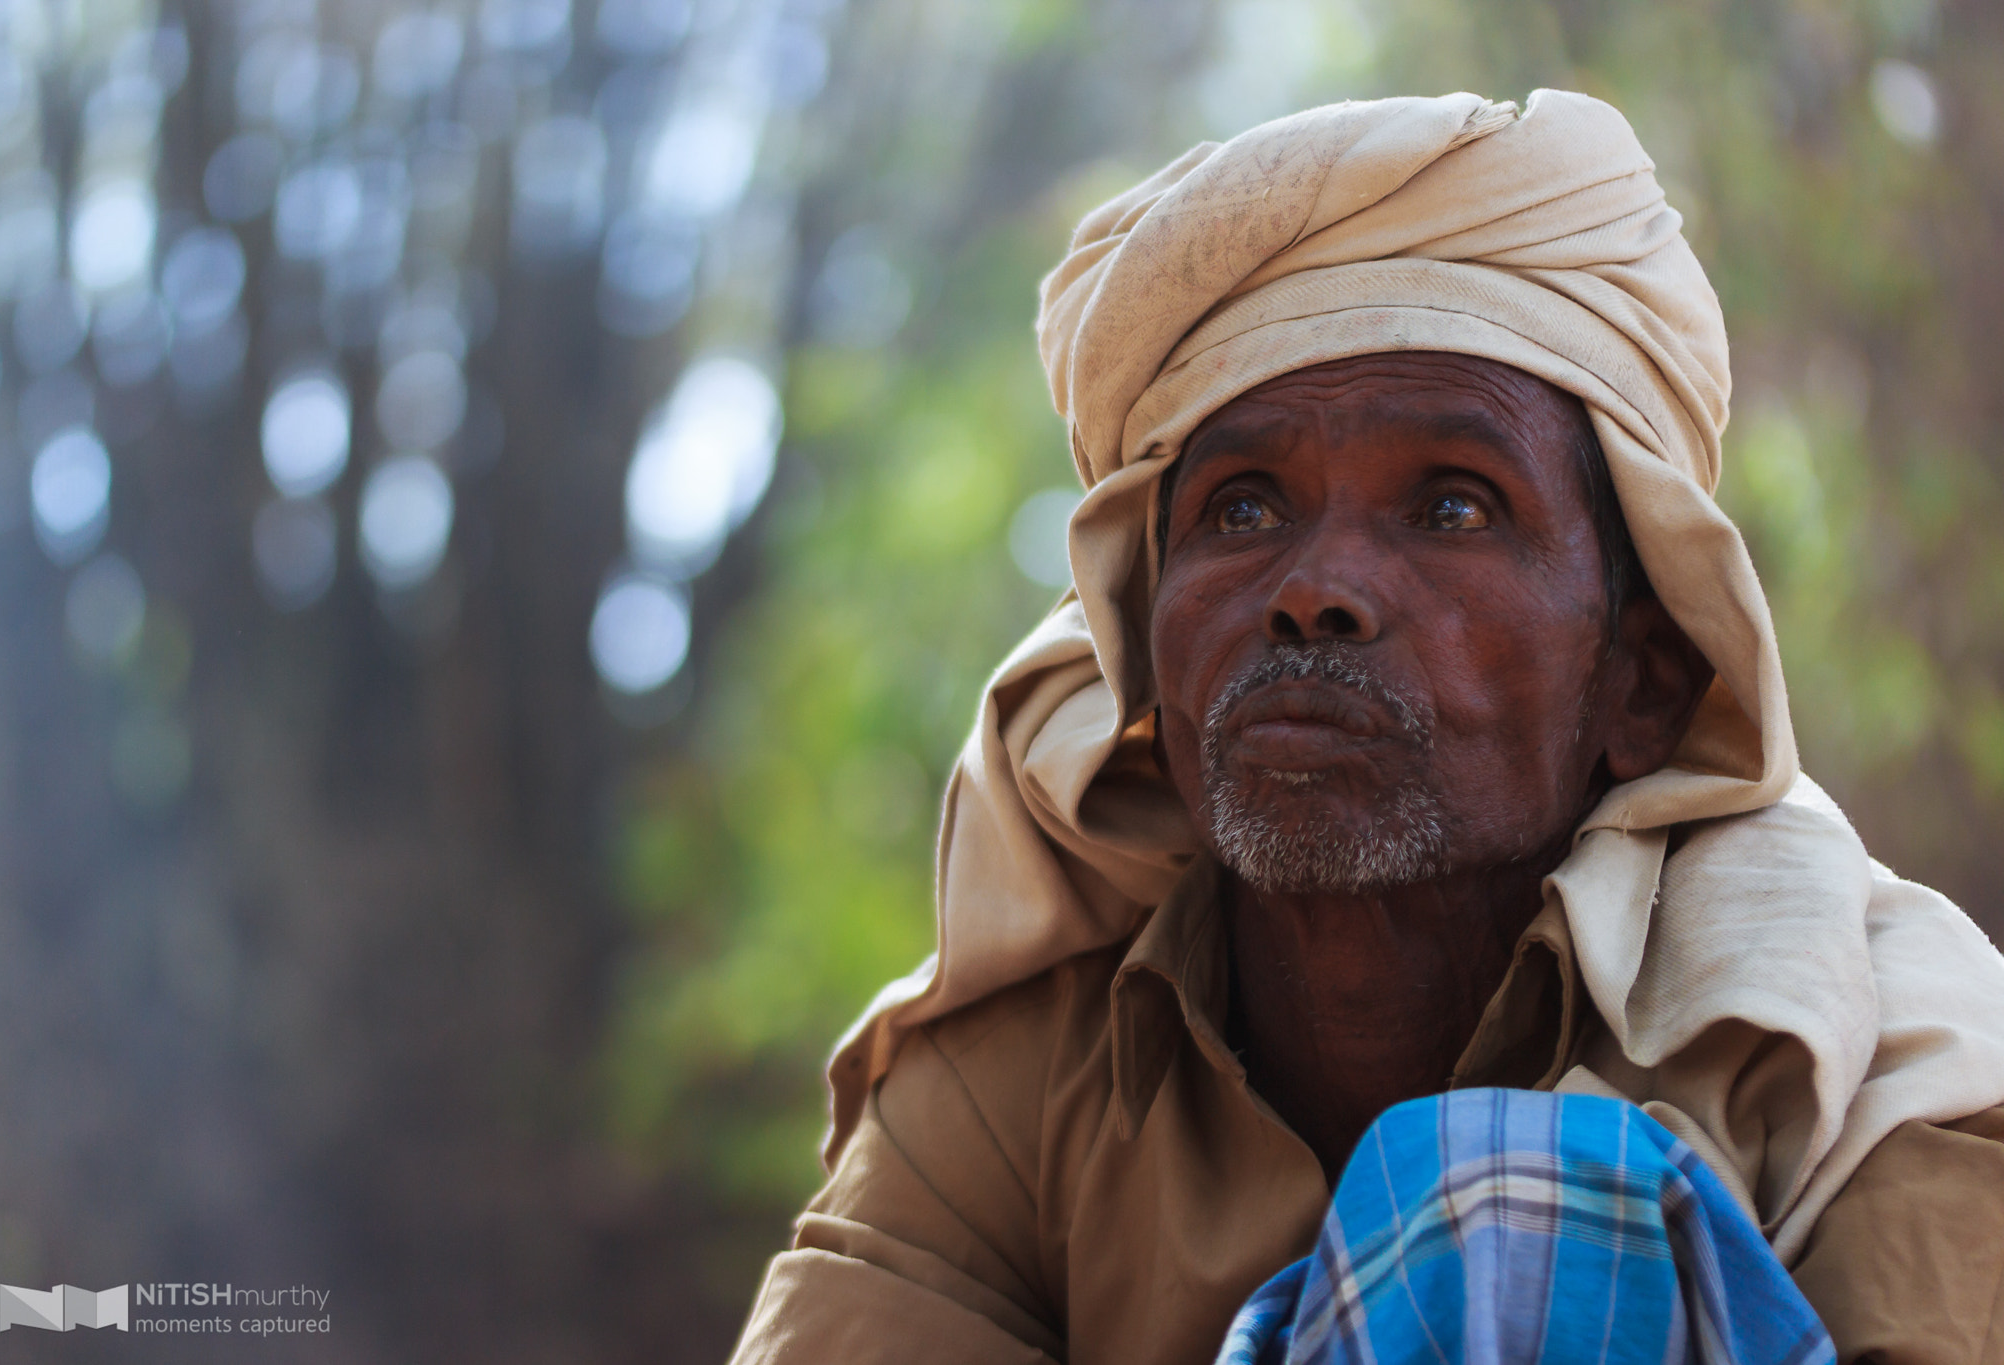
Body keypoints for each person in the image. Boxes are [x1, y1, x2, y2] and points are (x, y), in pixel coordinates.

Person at [728, 91, 2004, 1365]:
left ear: (1643, 681)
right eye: (1239, 510)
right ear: (1147, 652)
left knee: (1513, 1214)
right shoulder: (1018, 1085)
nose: (1311, 588)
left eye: (1452, 509)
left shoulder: (1883, 1061)